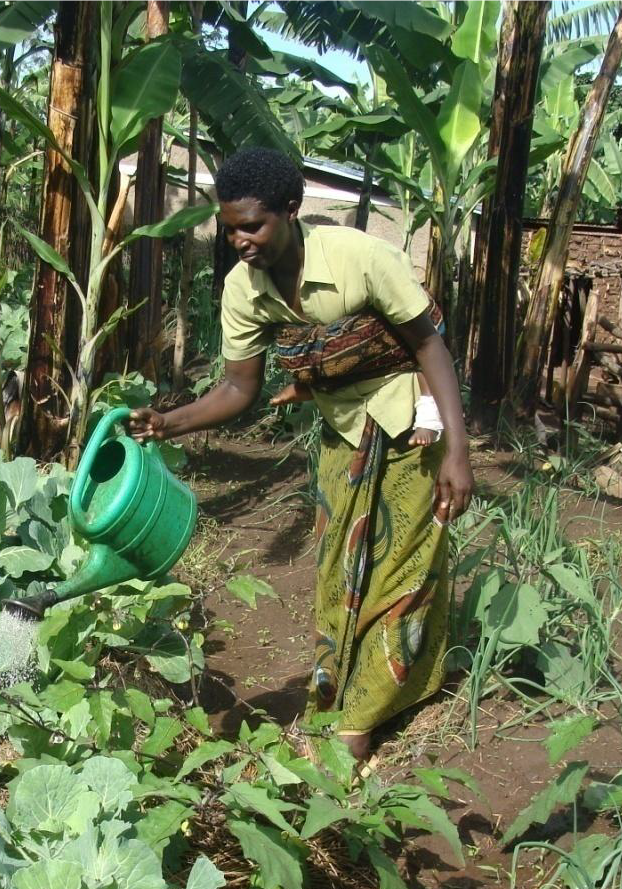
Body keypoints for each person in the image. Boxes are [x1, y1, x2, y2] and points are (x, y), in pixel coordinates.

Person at [128, 147, 475, 766]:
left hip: (412, 423)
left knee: (402, 573)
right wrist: (167, 422)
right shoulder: (244, 289)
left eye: (252, 225)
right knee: (340, 574)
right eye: (229, 227)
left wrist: (459, 450)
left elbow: (428, 342)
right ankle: (339, 689)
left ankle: (361, 720)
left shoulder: (360, 257)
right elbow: (239, 387)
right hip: (344, 434)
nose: (239, 239)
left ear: (291, 211)